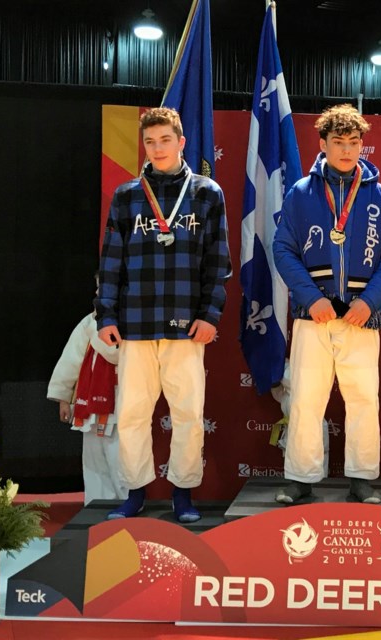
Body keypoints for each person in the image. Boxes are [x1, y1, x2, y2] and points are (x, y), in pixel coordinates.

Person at [96, 107, 232, 523]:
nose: (157, 148)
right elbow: (111, 261)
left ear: (181, 142)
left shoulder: (207, 193)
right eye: (150, 142)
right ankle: (134, 492)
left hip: (186, 326)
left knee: (188, 413)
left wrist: (210, 315)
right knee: (134, 413)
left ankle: (183, 494)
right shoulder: (126, 195)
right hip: (135, 324)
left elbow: (218, 261)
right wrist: (106, 316)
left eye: (165, 140)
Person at [272, 104, 381, 504]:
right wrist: (310, 298)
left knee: (363, 398)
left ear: (363, 145)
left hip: (361, 317)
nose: (347, 150)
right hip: (314, 315)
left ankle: (362, 478)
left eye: (354, 142)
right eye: (338, 142)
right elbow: (283, 249)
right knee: (307, 397)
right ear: (323, 144)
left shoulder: (380, 195)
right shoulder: (301, 192)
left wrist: (370, 300)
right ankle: (300, 477)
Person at [47, 274, 128, 505]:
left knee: (118, 458)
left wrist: (99, 327)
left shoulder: (131, 322)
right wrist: (64, 398)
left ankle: (125, 506)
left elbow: (114, 354)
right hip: (89, 404)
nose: (96, 294)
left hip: (120, 403)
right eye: (97, 289)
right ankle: (96, 507)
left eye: (102, 289)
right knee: (94, 461)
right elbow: (70, 360)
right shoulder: (89, 321)